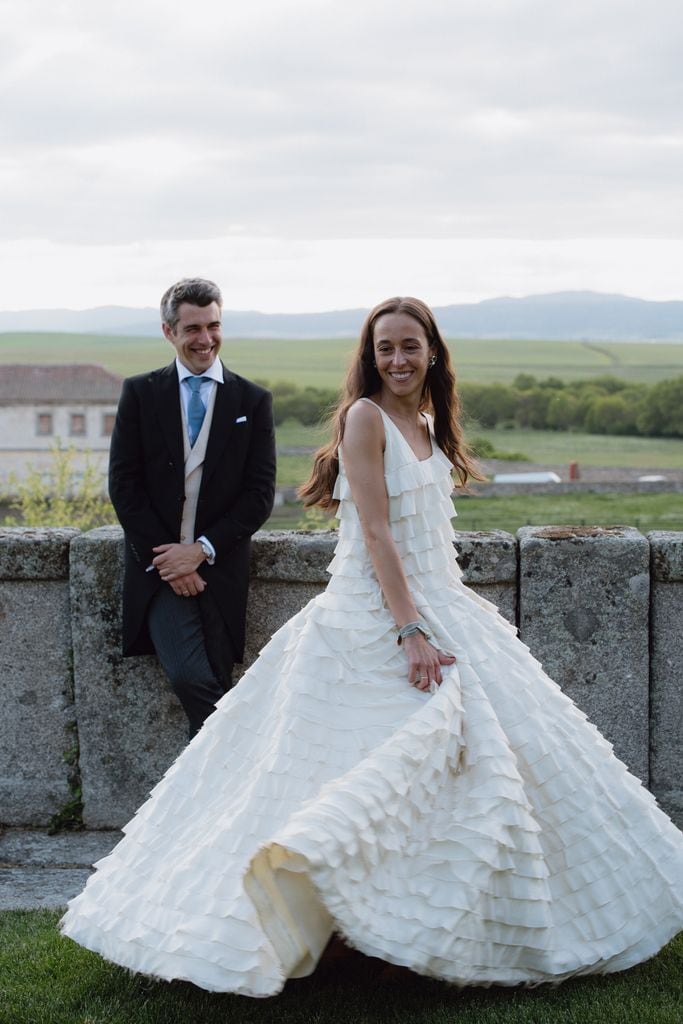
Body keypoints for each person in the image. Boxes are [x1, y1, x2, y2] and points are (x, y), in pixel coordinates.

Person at [61, 297, 683, 996]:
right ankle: (334, 929)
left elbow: (423, 539)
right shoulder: (364, 418)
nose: (397, 359)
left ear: (433, 353)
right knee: (373, 767)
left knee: (488, 763)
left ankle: (401, 932)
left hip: (438, 603)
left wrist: (436, 612)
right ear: (369, 355)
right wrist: (409, 630)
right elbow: (378, 535)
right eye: (384, 347)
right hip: (374, 618)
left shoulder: (424, 422)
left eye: (409, 345)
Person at [107, 277, 276, 737]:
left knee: (218, 677)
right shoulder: (140, 394)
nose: (206, 339)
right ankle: (241, 757)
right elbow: (124, 486)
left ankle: (209, 798)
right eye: (193, 329)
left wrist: (200, 550)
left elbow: (259, 494)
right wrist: (172, 561)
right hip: (158, 567)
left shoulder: (252, 400)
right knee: (189, 676)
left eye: (214, 325)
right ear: (169, 332)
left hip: (220, 566)